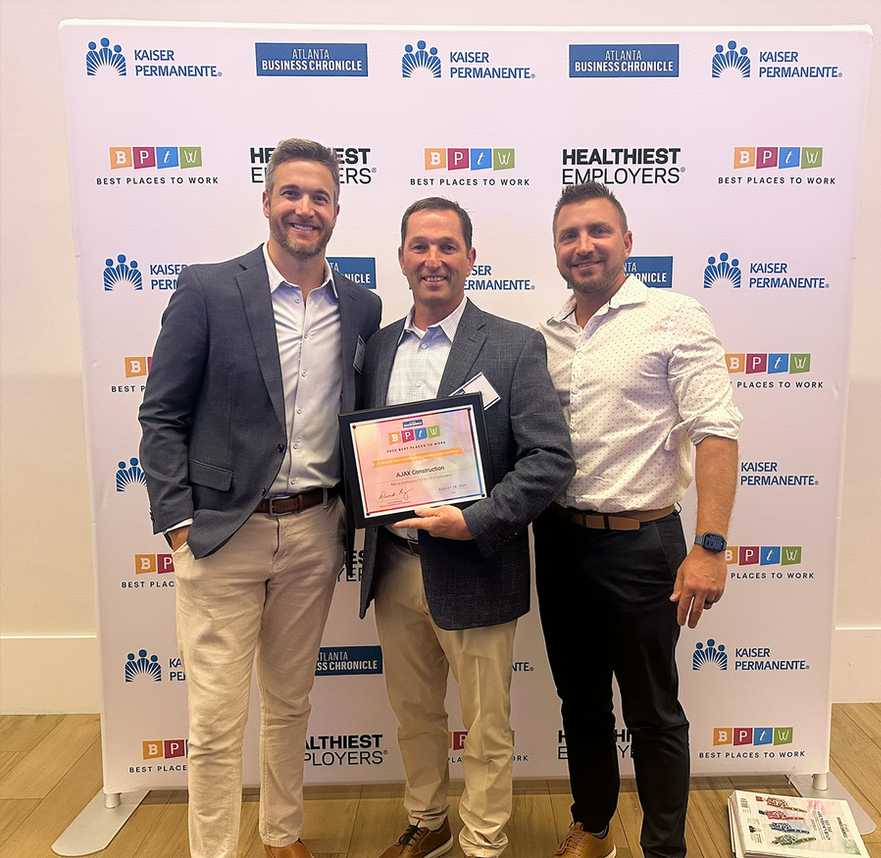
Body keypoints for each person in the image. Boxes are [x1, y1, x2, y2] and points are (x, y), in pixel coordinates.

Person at [138, 138, 381, 858]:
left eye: (320, 196)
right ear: (267, 200)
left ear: (336, 210)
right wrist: (179, 523)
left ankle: (282, 836)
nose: (305, 208)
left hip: (314, 532)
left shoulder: (361, 306)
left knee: (291, 702)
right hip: (222, 534)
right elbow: (162, 414)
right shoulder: (209, 289)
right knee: (215, 720)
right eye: (291, 193)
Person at [357, 197, 574, 858]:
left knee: (485, 726)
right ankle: (428, 820)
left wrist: (474, 520)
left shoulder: (513, 345)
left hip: (477, 565)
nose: (433, 259)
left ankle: (483, 841)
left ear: (471, 258)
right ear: (401, 258)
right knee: (414, 714)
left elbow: (550, 459)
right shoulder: (376, 349)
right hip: (394, 566)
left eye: (448, 246)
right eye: (420, 246)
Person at [534, 182, 742, 858]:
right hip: (559, 542)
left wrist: (710, 545)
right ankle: (594, 829)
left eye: (598, 231)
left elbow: (716, 430)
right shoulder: (544, 336)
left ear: (626, 242)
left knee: (653, 712)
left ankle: (664, 851)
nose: (583, 245)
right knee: (580, 704)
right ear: (556, 250)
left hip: (643, 546)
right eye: (569, 235)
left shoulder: (674, 316)